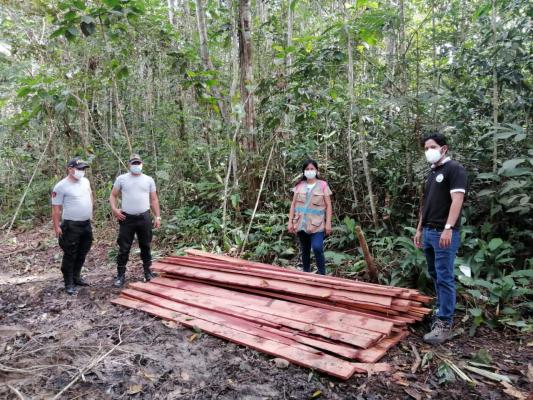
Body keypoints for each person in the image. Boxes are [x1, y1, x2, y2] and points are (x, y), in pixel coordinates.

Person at [414, 133, 467, 344]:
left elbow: (458, 200)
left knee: (444, 276)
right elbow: (425, 205)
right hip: (428, 231)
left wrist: (448, 228)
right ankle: (441, 312)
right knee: (435, 274)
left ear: (443, 148)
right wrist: (419, 229)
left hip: (444, 233)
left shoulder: (455, 170)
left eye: (432, 147)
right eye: (426, 148)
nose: (429, 151)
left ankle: (445, 323)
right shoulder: (432, 172)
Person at [109, 154, 161, 288]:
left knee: (146, 245)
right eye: (134, 163)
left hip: (144, 217)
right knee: (124, 247)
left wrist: (157, 216)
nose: (136, 165)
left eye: (138, 163)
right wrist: (115, 209)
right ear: (129, 165)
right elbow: (113, 195)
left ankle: (148, 272)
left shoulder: (148, 180)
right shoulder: (122, 179)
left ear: (142, 164)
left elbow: (154, 199)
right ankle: (120, 275)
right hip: (127, 218)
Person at [51, 157, 93, 295]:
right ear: (70, 169)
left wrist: (90, 213)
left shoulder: (85, 181)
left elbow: (90, 196)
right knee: (70, 254)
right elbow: (56, 209)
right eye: (79, 168)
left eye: (83, 169)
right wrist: (57, 227)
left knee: (83, 252)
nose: (82, 171)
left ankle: (76, 277)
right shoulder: (61, 186)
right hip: (71, 225)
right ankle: (68, 282)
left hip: (86, 223)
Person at [288, 159, 333, 275]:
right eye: (307, 169)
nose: (309, 171)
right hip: (301, 223)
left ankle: (322, 275)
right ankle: (306, 274)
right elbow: (293, 204)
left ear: (316, 170)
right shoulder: (299, 186)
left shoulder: (323, 185)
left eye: (312, 169)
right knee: (305, 250)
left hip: (317, 225)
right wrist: (290, 222)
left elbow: (328, 205)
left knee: (317, 248)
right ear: (304, 172)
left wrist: (328, 223)